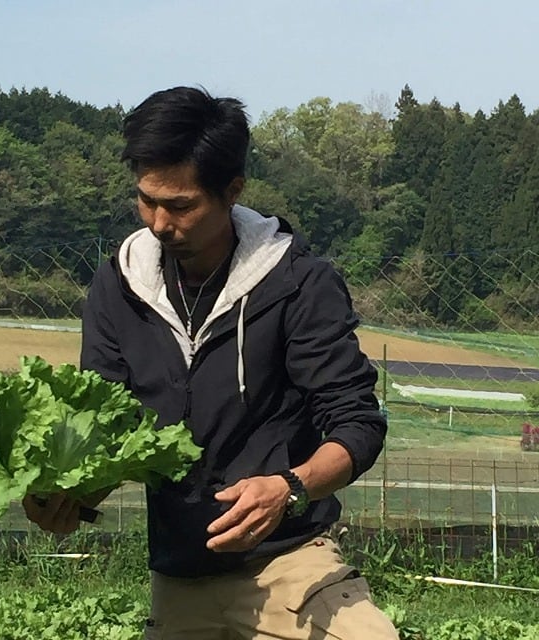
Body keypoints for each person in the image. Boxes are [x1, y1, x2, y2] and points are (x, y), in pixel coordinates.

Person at [23, 86, 399, 639]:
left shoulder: (297, 283)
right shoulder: (119, 285)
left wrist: (290, 488)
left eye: (180, 206)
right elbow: (105, 423)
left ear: (232, 191)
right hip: (182, 575)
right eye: (146, 200)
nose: (157, 222)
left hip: (290, 562)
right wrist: (67, 498)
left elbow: (358, 423)